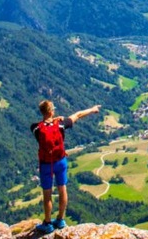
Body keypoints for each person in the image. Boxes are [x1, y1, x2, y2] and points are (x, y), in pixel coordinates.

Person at [31, 100, 101, 233]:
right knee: (62, 189)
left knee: (47, 195)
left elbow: (43, 138)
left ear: (42, 112)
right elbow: (78, 115)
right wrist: (92, 109)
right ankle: (60, 220)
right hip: (61, 161)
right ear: (52, 111)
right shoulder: (61, 125)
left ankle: (47, 223)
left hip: (46, 164)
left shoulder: (35, 128)